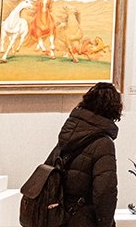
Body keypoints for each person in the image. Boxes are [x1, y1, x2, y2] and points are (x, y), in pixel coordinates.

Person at [47, 82, 121, 227]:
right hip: (83, 219)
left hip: (57, 217)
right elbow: (104, 192)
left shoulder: (68, 135)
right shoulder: (103, 143)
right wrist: (106, 224)